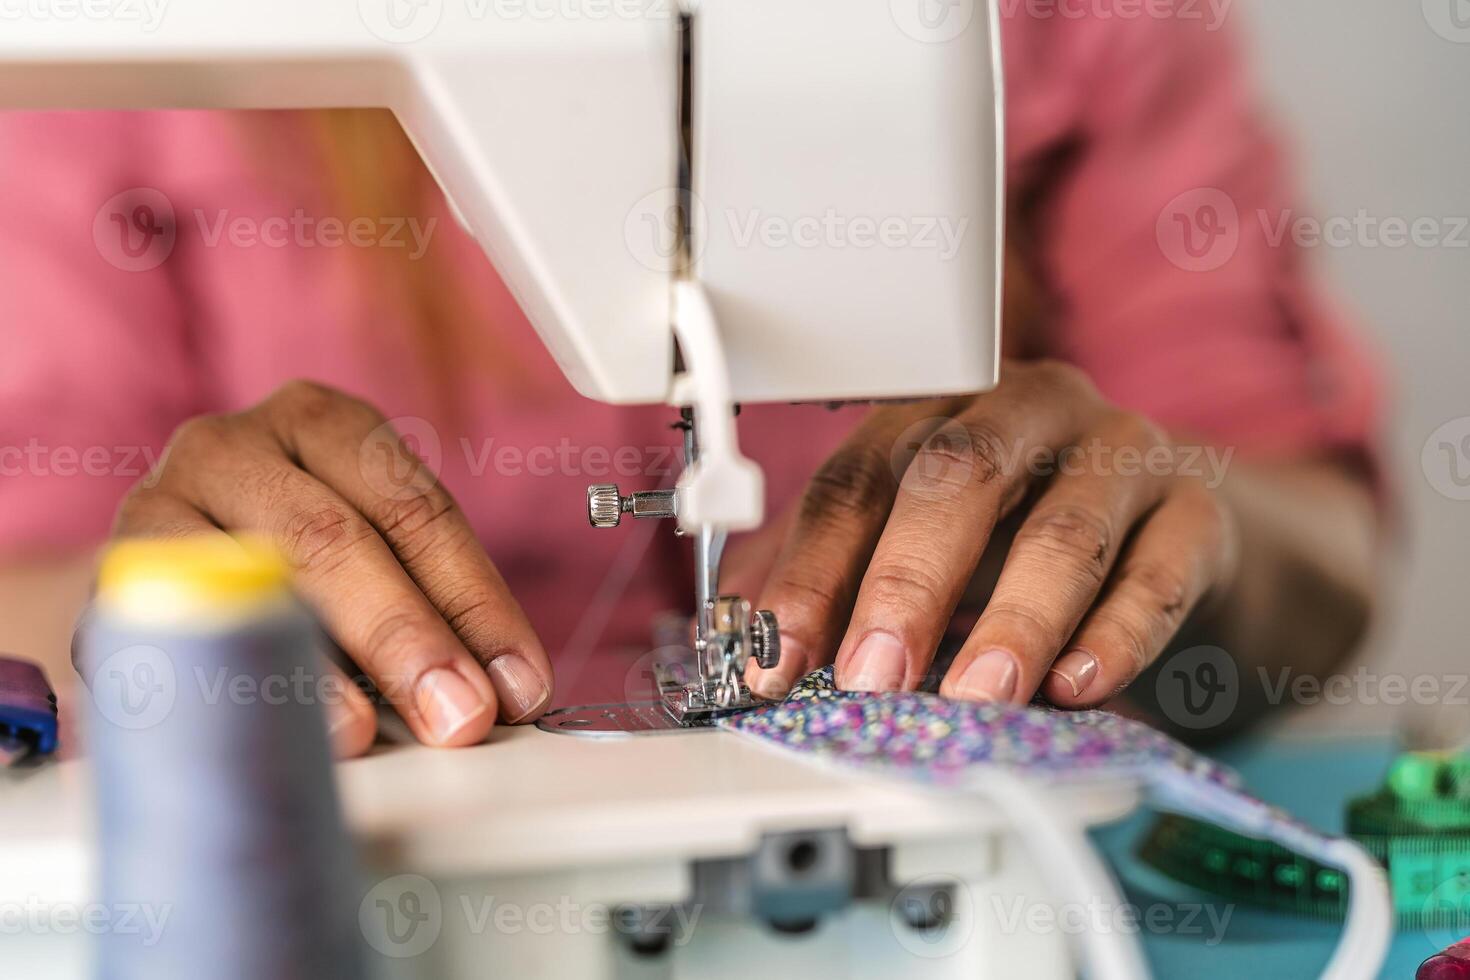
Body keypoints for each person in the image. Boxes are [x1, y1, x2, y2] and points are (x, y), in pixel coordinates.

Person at [0, 7, 1383, 758]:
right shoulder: (120, 61)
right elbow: (27, 575)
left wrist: (1174, 525)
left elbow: (1320, 562)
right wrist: (185, 591)